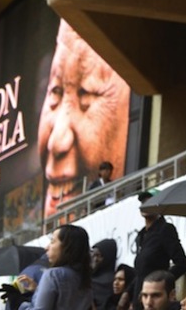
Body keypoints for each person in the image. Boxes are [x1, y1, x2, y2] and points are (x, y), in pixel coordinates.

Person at [38, 20, 131, 216]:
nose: (57, 143)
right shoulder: (95, 187)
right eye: (55, 91)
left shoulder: (116, 187)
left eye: (87, 95)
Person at [133, 191, 186, 308]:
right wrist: (128, 294)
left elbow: (182, 263)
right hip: (140, 302)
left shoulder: (165, 229)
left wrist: (162, 283)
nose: (146, 205)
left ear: (159, 205)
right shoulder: (141, 235)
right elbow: (140, 272)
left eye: (150, 201)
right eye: (143, 202)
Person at [20, 224, 94, 310]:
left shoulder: (53, 275)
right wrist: (38, 289)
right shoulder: (85, 279)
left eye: (52, 241)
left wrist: (21, 305)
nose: (46, 248)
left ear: (66, 246)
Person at [91, 238, 118, 310]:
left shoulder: (114, 281)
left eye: (98, 255)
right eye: (93, 254)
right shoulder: (89, 279)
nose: (95, 259)